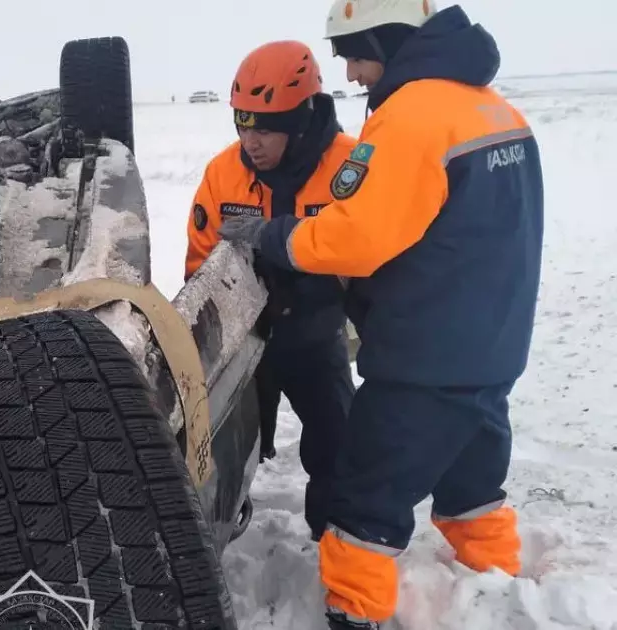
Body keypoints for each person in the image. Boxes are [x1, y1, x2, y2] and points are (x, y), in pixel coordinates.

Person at [216, 3, 543, 629]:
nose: (350, 71)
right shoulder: (494, 109)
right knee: (474, 475)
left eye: (353, 53)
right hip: (494, 343)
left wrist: (275, 236)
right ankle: (494, 576)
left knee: (364, 494)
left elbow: (356, 237)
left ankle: (354, 609)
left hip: (425, 350)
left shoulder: (413, 117)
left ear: (385, 39)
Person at [185, 40, 356, 543]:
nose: (250, 139)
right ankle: (219, 520)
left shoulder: (352, 169)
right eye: (242, 121)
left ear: (302, 117)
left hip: (315, 332)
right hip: (244, 338)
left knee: (338, 443)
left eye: (266, 125)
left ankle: (337, 543)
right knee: (220, 443)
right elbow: (200, 262)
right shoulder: (224, 173)